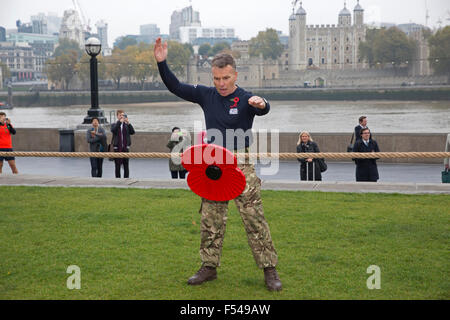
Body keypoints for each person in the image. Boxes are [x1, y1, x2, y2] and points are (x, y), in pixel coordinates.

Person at [154, 37, 281, 291]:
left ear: (235, 75)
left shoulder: (246, 98)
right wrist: (162, 63)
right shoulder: (206, 95)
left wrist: (262, 103)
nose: (221, 84)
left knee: (254, 217)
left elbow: (263, 107)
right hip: (212, 163)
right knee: (211, 218)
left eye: (225, 78)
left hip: (241, 164)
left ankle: (269, 269)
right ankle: (209, 267)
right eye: (216, 79)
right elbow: (175, 86)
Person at [111, 110, 135, 178]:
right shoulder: (114, 124)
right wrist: (119, 122)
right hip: (117, 148)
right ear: (117, 116)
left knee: (126, 165)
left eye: (123, 115)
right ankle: (118, 180)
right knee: (117, 166)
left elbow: (132, 132)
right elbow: (114, 130)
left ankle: (126, 179)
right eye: (120, 115)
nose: (122, 117)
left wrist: (128, 123)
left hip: (125, 148)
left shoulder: (126, 125)